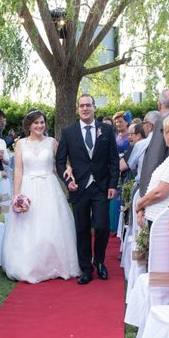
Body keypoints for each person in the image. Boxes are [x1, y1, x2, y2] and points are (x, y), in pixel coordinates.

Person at [3, 110, 80, 282]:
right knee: (29, 227)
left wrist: (68, 169)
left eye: (42, 122)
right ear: (29, 125)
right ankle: (30, 266)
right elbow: (18, 170)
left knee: (52, 225)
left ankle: (56, 264)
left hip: (49, 186)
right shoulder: (21, 144)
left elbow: (62, 162)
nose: (39, 126)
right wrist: (16, 195)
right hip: (28, 187)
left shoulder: (52, 142)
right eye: (36, 123)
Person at [55, 94, 119, 285]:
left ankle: (99, 261)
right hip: (79, 188)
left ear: (94, 108)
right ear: (77, 109)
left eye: (88, 105)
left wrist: (113, 185)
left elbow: (114, 160)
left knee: (101, 227)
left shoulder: (106, 130)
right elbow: (59, 162)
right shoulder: (68, 132)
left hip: (101, 187)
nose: (85, 108)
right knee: (81, 229)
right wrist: (68, 182)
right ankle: (85, 269)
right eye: (81, 106)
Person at [138, 89, 169, 199]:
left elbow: (154, 158)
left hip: (159, 190)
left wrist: (145, 196)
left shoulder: (163, 123)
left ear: (159, 105)